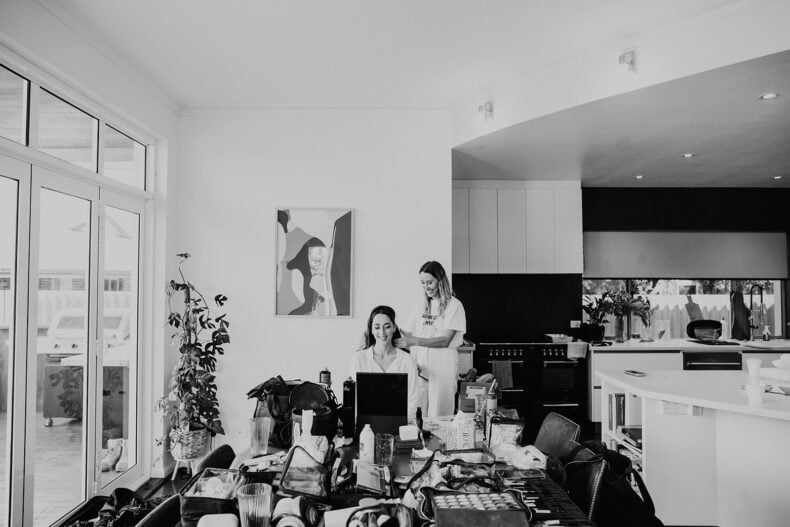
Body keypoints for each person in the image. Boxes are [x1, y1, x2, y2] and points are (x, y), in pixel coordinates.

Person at [397, 261, 466, 417]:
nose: (426, 287)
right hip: (420, 370)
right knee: (416, 416)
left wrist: (415, 341)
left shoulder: (454, 305)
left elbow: (445, 340)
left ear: (440, 281)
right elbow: (406, 334)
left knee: (440, 418)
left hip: (442, 372)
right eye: (422, 283)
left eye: (429, 282)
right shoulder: (420, 304)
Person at [349, 305, 420, 421]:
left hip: (401, 425)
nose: (382, 332)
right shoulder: (359, 359)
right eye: (377, 327)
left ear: (394, 328)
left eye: (387, 327)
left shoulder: (407, 361)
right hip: (366, 426)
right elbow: (353, 401)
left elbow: (413, 403)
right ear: (371, 330)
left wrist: (398, 423)